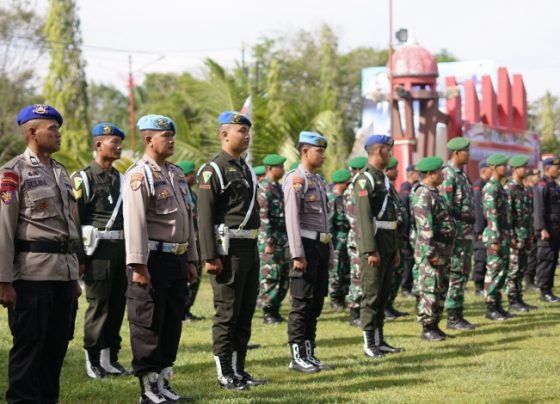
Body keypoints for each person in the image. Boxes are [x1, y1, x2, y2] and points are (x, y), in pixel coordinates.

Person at [0, 104, 82, 403]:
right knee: (29, 350)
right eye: (53, 129)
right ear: (32, 133)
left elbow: (70, 228)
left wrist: (74, 276)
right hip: (31, 275)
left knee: (56, 348)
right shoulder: (13, 172)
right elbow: (4, 230)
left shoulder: (61, 173)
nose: (59, 134)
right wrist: (4, 281)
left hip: (63, 274)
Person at [123, 114, 198, 403]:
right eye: (165, 136)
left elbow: (187, 220)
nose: (171, 140)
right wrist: (139, 265)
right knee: (148, 323)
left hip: (176, 260)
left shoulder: (176, 174)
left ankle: (164, 383)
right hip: (152, 260)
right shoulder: (140, 174)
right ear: (148, 139)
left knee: (170, 323)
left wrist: (191, 259)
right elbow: (135, 222)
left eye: (171, 135)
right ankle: (148, 389)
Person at [197, 111, 265, 390]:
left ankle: (239, 368)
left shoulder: (246, 169)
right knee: (227, 311)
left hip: (249, 246)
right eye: (241, 131)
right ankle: (224, 372)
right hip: (228, 249)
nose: (247, 136)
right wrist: (210, 256)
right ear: (225, 134)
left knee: (245, 310)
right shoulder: (213, 169)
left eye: (248, 131)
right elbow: (204, 216)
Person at [73, 123, 128, 379]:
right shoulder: (83, 178)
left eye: (119, 143)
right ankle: (93, 359)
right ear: (98, 145)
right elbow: (75, 221)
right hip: (97, 252)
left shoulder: (120, 177)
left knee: (117, 305)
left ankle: (110, 358)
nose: (118, 147)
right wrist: (80, 260)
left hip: (120, 249)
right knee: (99, 306)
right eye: (113, 142)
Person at [283, 131, 333, 373]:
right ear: (305, 151)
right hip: (304, 247)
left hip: (320, 246)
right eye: (318, 150)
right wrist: (296, 253)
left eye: (323, 150)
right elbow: (292, 219)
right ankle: (296, 356)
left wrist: (330, 251)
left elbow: (325, 220)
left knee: (316, 303)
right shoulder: (296, 179)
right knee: (301, 303)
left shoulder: (319, 180)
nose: (322, 155)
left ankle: (309, 352)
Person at [355, 134, 404, 358]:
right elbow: (364, 219)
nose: (390, 154)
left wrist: (395, 249)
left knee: (383, 294)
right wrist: (370, 250)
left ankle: (379, 339)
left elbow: (391, 218)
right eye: (388, 150)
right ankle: (368, 342)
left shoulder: (383, 179)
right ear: (378, 151)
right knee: (372, 295)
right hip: (374, 245)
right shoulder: (365, 179)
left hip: (387, 243)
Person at [411, 156, 456, 341]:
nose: (443, 174)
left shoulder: (435, 192)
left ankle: (435, 324)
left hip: (442, 249)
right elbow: (425, 227)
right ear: (430, 174)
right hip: (432, 250)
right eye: (439, 171)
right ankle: (427, 327)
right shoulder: (423, 194)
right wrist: (431, 253)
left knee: (440, 287)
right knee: (430, 287)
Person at [438, 137, 476, 330]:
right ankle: (452, 317)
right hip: (456, 235)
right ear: (455, 153)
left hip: (466, 234)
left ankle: (458, 314)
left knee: (463, 272)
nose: (468, 154)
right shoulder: (448, 175)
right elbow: (445, 207)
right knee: (456, 273)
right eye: (465, 151)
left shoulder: (461, 175)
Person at [257, 153, 289, 325]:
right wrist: (269, 241)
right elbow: (264, 218)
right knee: (271, 275)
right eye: (280, 167)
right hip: (270, 240)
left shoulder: (277, 187)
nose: (283, 170)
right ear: (270, 169)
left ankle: (275, 309)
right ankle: (268, 312)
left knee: (282, 276)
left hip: (282, 238)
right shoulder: (264, 188)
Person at [503, 156, 537, 311]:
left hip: (524, 235)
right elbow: (507, 215)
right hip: (515, 237)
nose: (527, 170)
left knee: (522, 268)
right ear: (516, 169)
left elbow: (527, 214)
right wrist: (511, 236)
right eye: (524, 167)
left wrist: (530, 233)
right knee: (514, 269)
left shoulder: (522, 188)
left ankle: (519, 298)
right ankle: (512, 300)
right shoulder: (509, 188)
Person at [482, 153, 512, 320]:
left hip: (503, 235)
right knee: (494, 271)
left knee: (501, 271)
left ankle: (498, 304)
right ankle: (491, 307)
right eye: (502, 166)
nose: (505, 169)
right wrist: (494, 239)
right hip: (495, 236)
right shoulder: (491, 188)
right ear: (493, 167)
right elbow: (492, 216)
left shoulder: (499, 187)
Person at [176, 160, 205, 322]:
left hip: (196, 241)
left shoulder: (191, 192)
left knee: (196, 277)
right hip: (186, 241)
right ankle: (181, 310)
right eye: (192, 173)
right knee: (186, 278)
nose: (194, 176)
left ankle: (187, 309)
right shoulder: (180, 192)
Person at [384, 157, 409, 319]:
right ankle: (384, 307)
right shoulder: (383, 189)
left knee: (398, 272)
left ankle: (389, 305)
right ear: (387, 171)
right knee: (389, 273)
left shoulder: (391, 188)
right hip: (389, 236)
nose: (397, 171)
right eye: (394, 168)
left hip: (398, 236)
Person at [345, 156, 368, 326]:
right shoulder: (352, 190)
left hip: (364, 237)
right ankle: (354, 311)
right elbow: (354, 219)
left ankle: (362, 310)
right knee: (357, 275)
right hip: (357, 239)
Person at [533, 157, 560, 303]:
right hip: (547, 229)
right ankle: (544, 291)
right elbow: (539, 208)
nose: (559, 170)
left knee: (553, 259)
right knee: (546, 259)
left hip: (556, 229)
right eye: (556, 167)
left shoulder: (555, 185)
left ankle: (549, 289)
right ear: (548, 168)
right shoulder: (541, 185)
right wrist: (541, 228)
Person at [327, 168, 352, 312]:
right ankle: (335, 299)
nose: (349, 186)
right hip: (336, 240)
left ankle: (343, 296)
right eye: (347, 184)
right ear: (340, 184)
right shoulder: (333, 198)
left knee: (346, 269)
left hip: (347, 238)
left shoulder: (347, 197)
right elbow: (329, 223)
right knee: (336, 271)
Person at [399, 164, 419, 297]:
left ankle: (410, 285)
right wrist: (405, 234)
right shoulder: (405, 191)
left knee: (412, 259)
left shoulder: (414, 188)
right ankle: (406, 287)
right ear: (411, 174)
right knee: (407, 260)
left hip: (413, 231)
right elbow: (405, 213)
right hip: (407, 232)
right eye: (417, 173)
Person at [472, 161, 492, 295]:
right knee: (481, 257)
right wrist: (479, 230)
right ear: (484, 171)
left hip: (487, 228)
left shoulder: (487, 185)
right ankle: (478, 286)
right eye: (490, 169)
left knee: (487, 257)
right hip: (481, 229)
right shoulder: (478, 186)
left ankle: (484, 284)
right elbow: (478, 210)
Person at [523, 168, 540, 291]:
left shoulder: (535, 190)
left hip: (535, 226)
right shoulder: (528, 191)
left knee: (535, 255)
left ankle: (532, 279)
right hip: (530, 228)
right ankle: (528, 281)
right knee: (531, 255)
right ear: (529, 178)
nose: (538, 177)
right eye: (535, 175)